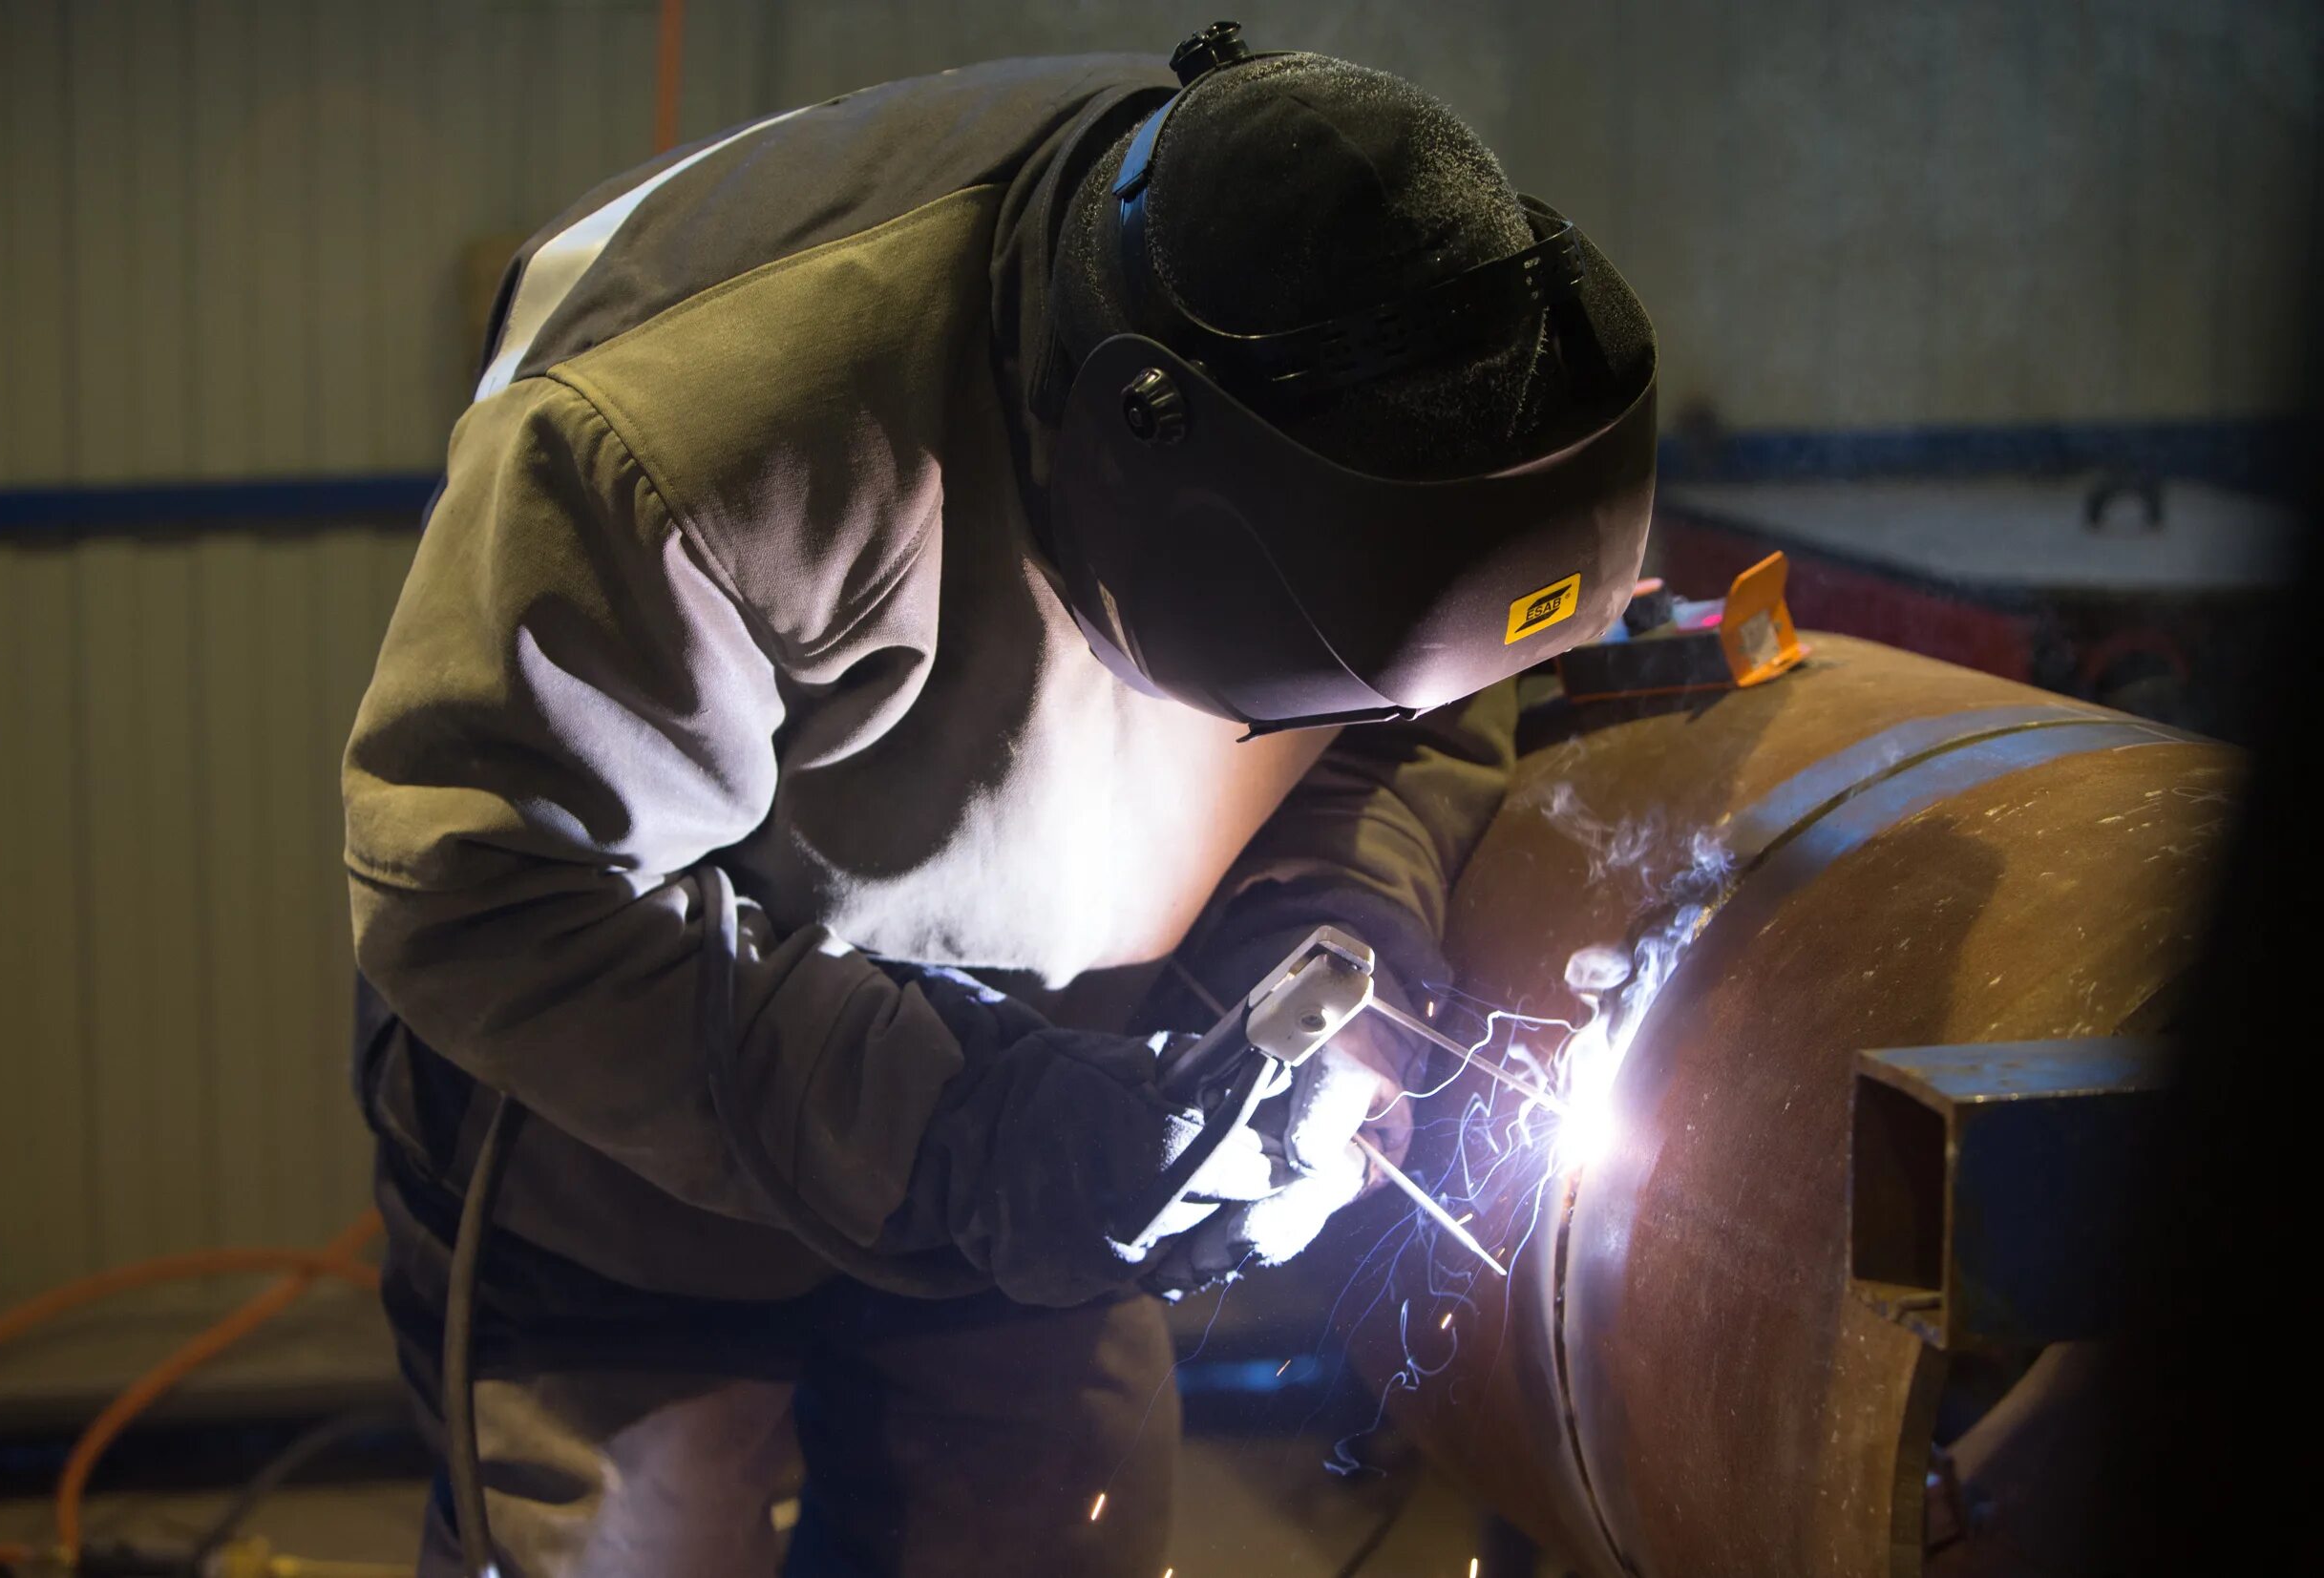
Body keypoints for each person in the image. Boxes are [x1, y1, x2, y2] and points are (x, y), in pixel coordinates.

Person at [342, 22, 1656, 1578]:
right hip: (623, 1155)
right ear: (1131, 478)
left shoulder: (1419, 398)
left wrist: (1315, 961)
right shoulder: (698, 448)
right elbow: (481, 894)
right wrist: (974, 1130)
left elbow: (1400, 729)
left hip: (1068, 1136)